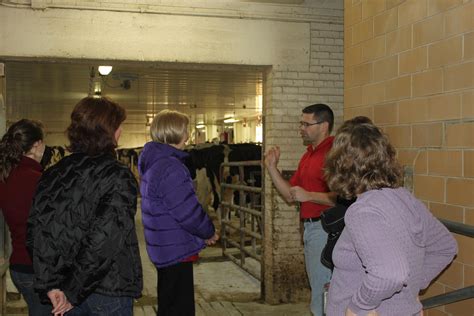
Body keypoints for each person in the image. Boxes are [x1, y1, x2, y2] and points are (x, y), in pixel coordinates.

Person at [324, 121, 457, 316]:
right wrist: (413, 285)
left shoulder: (363, 211)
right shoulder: (405, 198)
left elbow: (389, 273)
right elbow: (445, 246)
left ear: (341, 165)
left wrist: (359, 307)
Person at [27, 97, 143, 316]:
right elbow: (104, 241)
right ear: (108, 131)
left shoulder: (52, 174)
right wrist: (73, 292)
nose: (120, 132)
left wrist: (50, 285)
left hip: (62, 291)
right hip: (107, 291)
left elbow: (36, 232)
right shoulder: (117, 176)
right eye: (118, 127)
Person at [139, 109, 218, 316]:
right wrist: (208, 231)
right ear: (175, 132)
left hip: (165, 245)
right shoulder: (170, 167)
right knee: (179, 308)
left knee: (169, 302)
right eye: (186, 129)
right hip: (174, 249)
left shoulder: (155, 163)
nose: (188, 134)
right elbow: (187, 211)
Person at [264, 103, 337, 315]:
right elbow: (290, 195)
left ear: (324, 126)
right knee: (318, 285)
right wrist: (271, 168)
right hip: (311, 230)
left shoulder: (334, 154)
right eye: (301, 123)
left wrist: (310, 196)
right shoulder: (308, 155)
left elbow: (344, 198)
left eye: (307, 124)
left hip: (327, 230)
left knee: (322, 288)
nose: (301, 128)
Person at [0, 119, 52, 315]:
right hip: (39, 270)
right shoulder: (40, 181)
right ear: (37, 145)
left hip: (19, 268)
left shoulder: (5, 176)